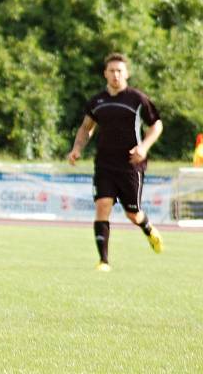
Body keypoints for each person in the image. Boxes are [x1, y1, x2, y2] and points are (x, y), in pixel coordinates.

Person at [68, 53, 164, 272]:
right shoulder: (97, 101)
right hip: (104, 164)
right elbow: (86, 127)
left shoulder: (137, 99)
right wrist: (76, 148)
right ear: (105, 74)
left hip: (131, 165)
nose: (115, 75)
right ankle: (103, 261)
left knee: (133, 214)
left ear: (126, 73)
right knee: (102, 206)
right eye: (111, 71)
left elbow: (156, 125)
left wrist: (144, 147)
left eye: (119, 71)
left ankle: (148, 228)